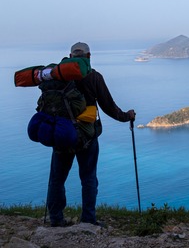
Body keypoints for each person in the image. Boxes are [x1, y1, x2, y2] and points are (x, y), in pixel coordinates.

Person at [46, 41, 136, 227]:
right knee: (88, 178)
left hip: (62, 135)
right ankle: (88, 219)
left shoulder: (57, 77)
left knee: (57, 178)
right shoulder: (94, 77)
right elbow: (109, 107)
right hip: (87, 136)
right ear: (88, 57)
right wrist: (127, 116)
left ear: (70, 57)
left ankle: (55, 218)